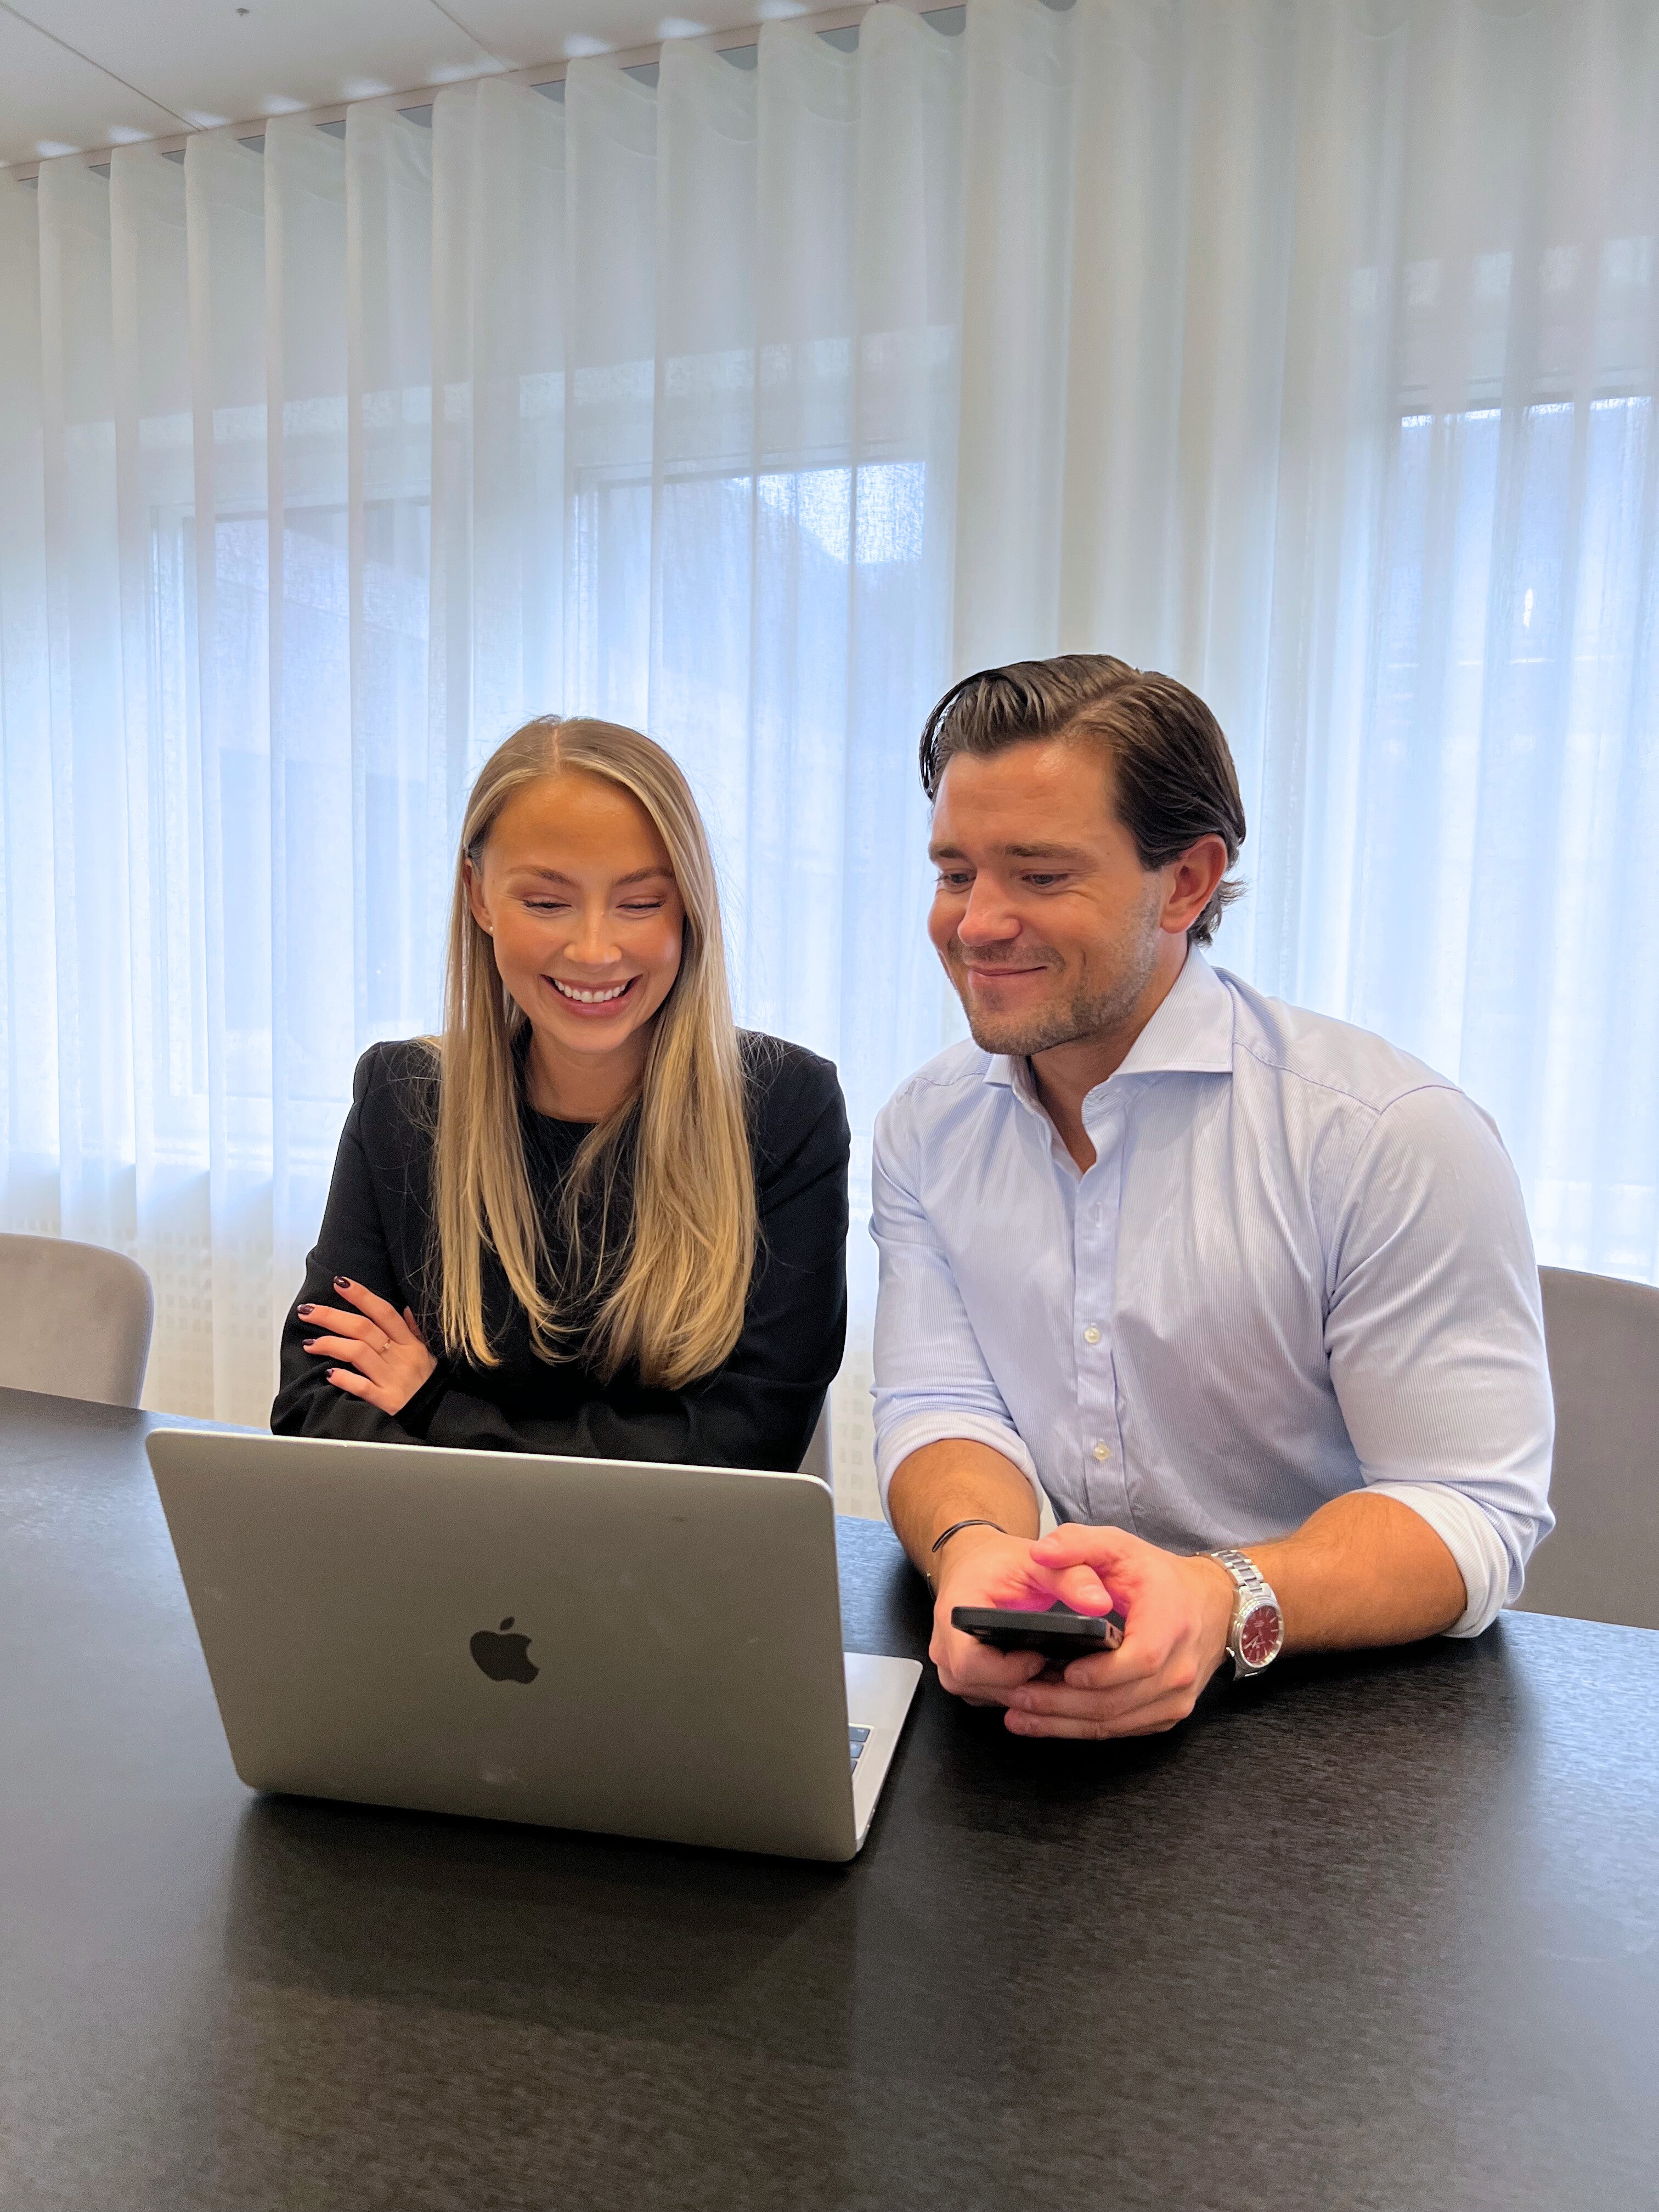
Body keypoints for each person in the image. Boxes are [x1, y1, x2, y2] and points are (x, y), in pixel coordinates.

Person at [872, 654, 1554, 1739]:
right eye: (956, 873)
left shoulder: (1387, 1135)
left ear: (1187, 883)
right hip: (1038, 1694)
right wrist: (977, 1551)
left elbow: (1470, 1510)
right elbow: (942, 1406)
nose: (976, 923)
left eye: (1038, 876)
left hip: (1341, 1720)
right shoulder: (926, 1125)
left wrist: (1222, 1598)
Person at [272, 716, 848, 1470]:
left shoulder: (786, 1108)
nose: (595, 950)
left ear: (689, 906)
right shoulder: (401, 1099)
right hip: (435, 1546)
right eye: (547, 903)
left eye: (640, 903)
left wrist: (433, 1404)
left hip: (663, 1554)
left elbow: (742, 1449)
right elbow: (316, 1407)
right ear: (479, 897)